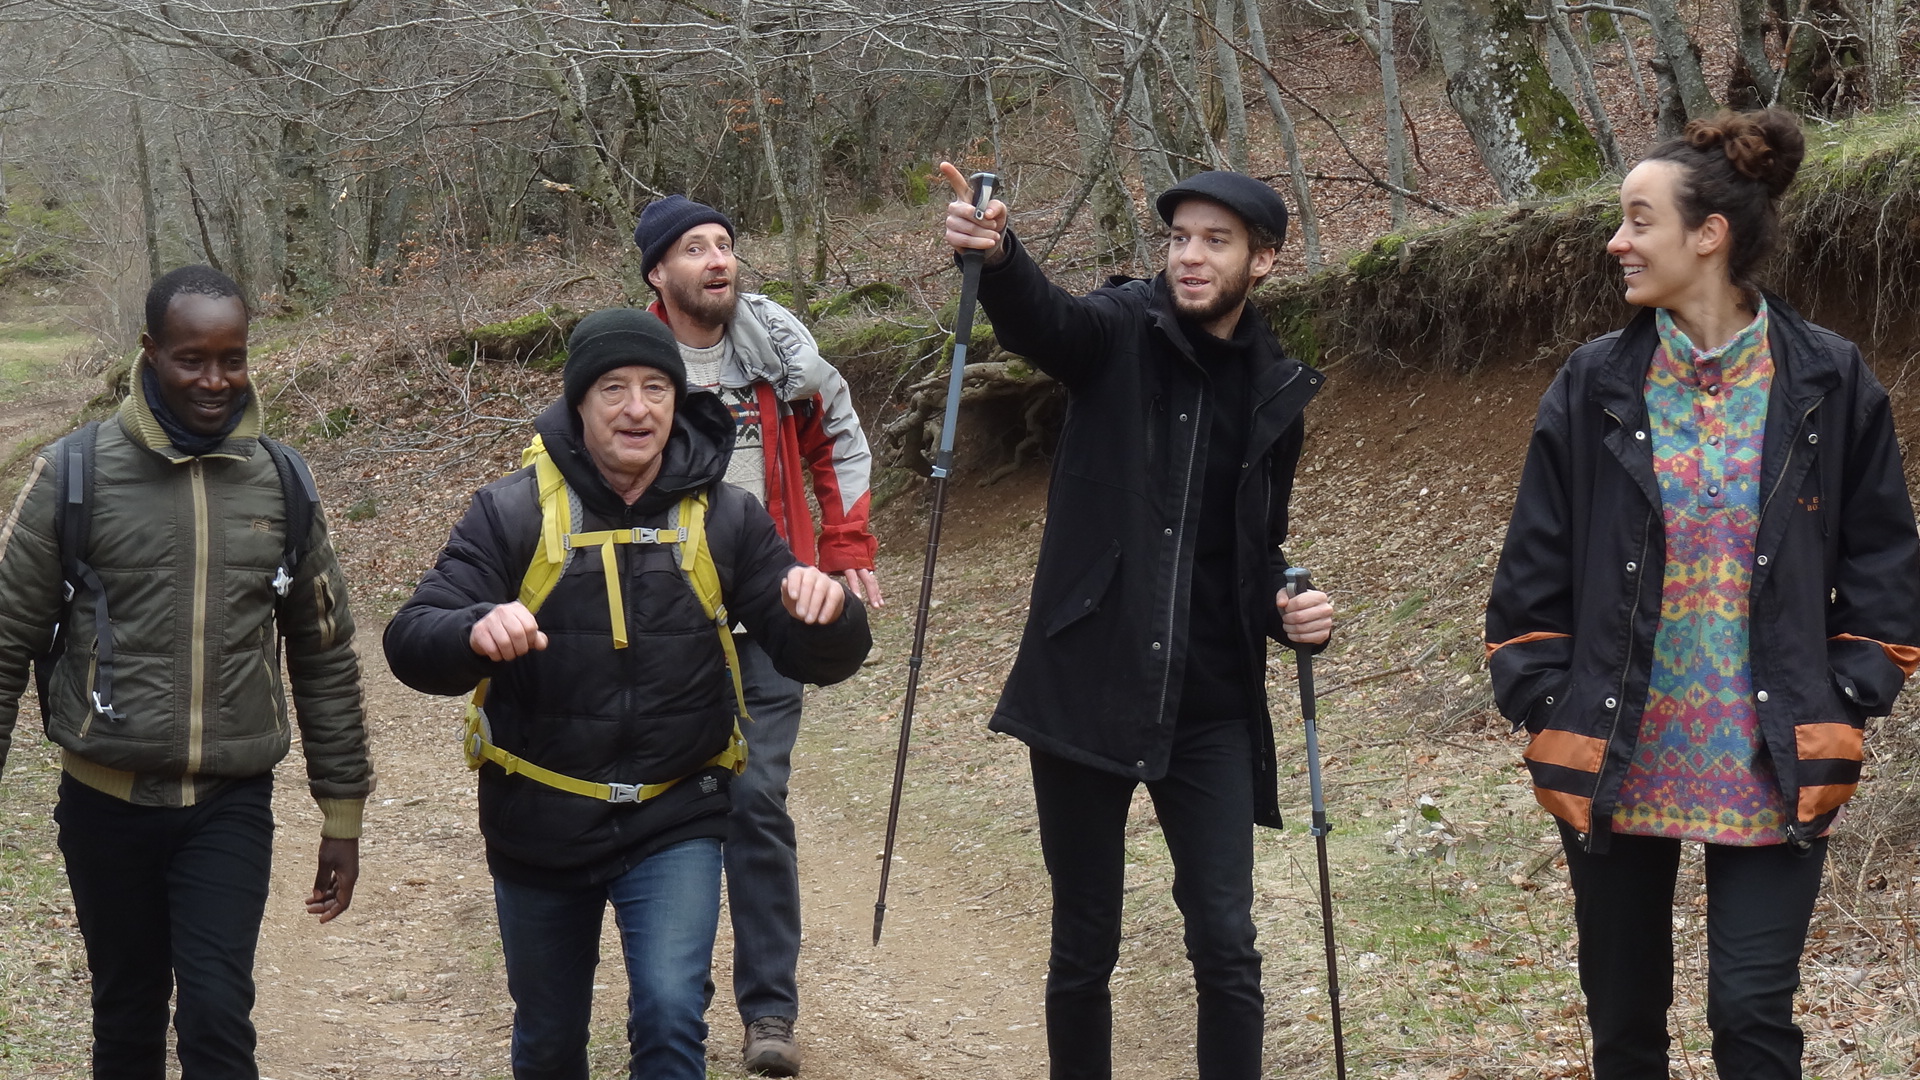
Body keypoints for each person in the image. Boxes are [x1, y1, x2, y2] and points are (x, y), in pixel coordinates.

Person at [1486, 109, 1920, 1079]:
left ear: (1710, 234)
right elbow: (1531, 571)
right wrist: (1544, 694)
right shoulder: (1595, 383)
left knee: (1753, 1016)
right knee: (1625, 1025)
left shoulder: (1827, 377)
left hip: (1776, 753)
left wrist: (1852, 691)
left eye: (1640, 220)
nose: (1618, 241)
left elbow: (1886, 558)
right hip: (1614, 747)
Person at [382, 308, 871, 1080]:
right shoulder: (510, 512)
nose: (636, 409)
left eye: (655, 388)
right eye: (613, 388)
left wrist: (831, 615)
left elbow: (813, 650)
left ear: (677, 400)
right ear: (579, 402)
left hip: (676, 813)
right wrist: (474, 630)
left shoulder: (725, 517)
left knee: (672, 1017)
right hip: (539, 816)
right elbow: (412, 637)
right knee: (549, 1043)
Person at [941, 163, 1335, 1080]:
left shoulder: (1277, 390)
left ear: (1264, 260)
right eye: (1179, 238)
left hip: (1212, 704)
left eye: (1215, 241)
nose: (1190, 257)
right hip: (1089, 682)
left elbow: (1254, 547)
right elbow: (1046, 321)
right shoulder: (1118, 330)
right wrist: (998, 257)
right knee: (1086, 942)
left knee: (1227, 943)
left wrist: (1291, 606)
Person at [0, 264, 373, 1077]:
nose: (215, 380)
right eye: (191, 359)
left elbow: (324, 654)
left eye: (232, 359)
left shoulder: (282, 481)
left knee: (217, 1017)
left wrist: (341, 815)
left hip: (227, 804)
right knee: (126, 1017)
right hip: (104, 803)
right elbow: (5, 641)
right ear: (150, 352)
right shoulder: (74, 475)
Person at [631, 194, 884, 1076]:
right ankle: (673, 1005)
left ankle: (769, 1010)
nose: (717, 259)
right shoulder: (633, 363)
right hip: (666, 617)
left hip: (769, 609)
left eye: (724, 245)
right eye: (693, 248)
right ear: (657, 271)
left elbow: (837, 434)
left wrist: (844, 543)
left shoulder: (778, 350)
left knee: (757, 799)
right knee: (673, 803)